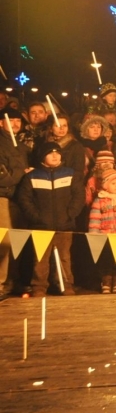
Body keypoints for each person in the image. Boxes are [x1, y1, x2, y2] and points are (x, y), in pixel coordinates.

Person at [15, 142, 83, 297]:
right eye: (50, 153)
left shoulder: (70, 174)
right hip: (40, 226)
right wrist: (36, 218)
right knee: (40, 258)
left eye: (57, 152)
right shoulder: (32, 176)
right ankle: (39, 286)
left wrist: (70, 214)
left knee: (64, 257)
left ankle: (65, 284)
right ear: (42, 156)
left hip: (64, 225)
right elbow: (24, 199)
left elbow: (78, 196)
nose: (55, 155)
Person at [1, 118, 30, 296]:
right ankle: (1, 283)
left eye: (18, 120)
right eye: (10, 120)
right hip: (4, 197)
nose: (15, 124)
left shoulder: (20, 145)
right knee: (5, 241)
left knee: (19, 241)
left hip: (20, 198)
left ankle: (13, 280)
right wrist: (21, 174)